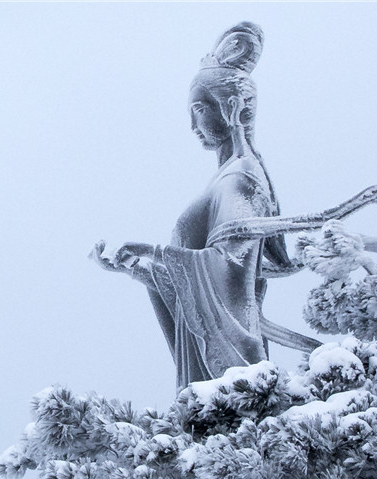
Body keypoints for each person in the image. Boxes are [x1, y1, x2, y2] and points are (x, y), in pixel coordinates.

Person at [95, 22, 291, 390]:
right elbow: (201, 277)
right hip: (209, 372)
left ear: (229, 108)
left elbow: (229, 268)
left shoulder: (240, 178)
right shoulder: (226, 178)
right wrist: (141, 268)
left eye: (198, 109)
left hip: (234, 371)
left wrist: (155, 251)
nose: (191, 124)